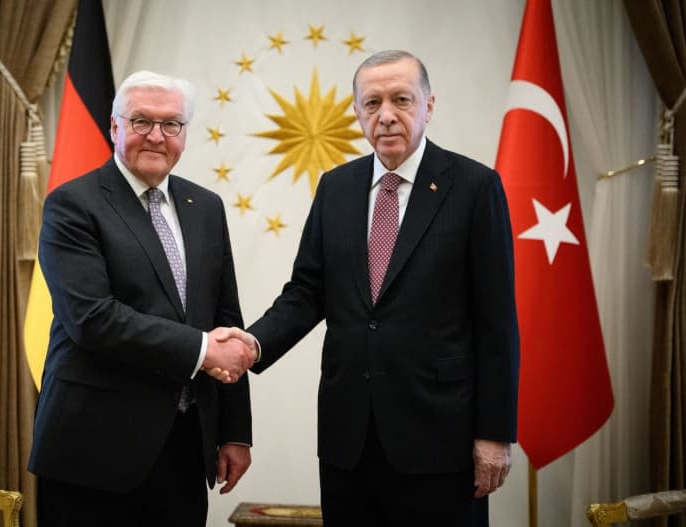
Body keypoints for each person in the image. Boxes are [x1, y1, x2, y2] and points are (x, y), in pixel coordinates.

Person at [218, 50, 519, 526]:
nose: (386, 115)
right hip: (348, 438)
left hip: (442, 438)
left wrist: (494, 434)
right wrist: (252, 343)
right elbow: (306, 292)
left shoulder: (475, 187)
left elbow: (497, 322)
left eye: (401, 99)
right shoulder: (336, 187)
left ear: (428, 105)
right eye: (371, 103)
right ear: (357, 112)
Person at [28, 70, 256, 527]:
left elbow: (224, 316)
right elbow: (92, 318)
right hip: (93, 451)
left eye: (171, 124)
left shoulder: (206, 207)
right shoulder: (73, 204)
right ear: (115, 127)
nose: (156, 136)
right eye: (141, 122)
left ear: (184, 134)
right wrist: (204, 349)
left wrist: (234, 431)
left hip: (185, 445)